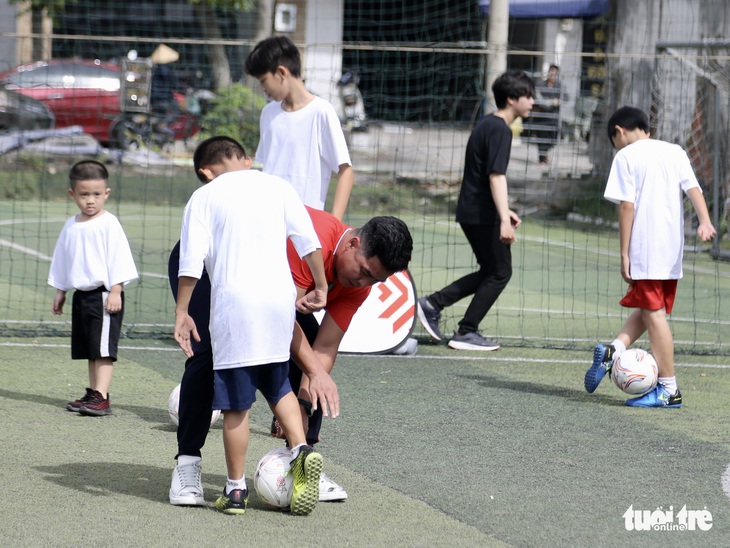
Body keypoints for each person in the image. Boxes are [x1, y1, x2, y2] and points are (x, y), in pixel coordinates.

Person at [168, 207, 413, 507]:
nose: (364, 284)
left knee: (315, 368)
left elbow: (324, 348)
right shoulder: (314, 241)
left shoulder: (359, 283)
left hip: (261, 292)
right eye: (363, 272)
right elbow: (280, 319)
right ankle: (187, 465)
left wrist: (304, 402)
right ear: (353, 244)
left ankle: (303, 461)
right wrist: (313, 375)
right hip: (207, 264)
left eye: (374, 281)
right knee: (208, 350)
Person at [173, 136, 330, 516]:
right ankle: (301, 449)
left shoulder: (205, 196)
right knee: (279, 386)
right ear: (245, 159)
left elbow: (191, 259)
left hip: (235, 306)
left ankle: (235, 490)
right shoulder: (278, 186)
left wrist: (182, 311)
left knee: (235, 405)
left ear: (205, 171)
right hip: (279, 302)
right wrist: (321, 285)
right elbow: (308, 241)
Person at [584, 106, 717, 407]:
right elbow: (694, 189)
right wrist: (705, 221)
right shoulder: (675, 151)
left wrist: (624, 254)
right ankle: (613, 351)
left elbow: (626, 207)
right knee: (649, 309)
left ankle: (669, 390)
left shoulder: (626, 156)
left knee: (653, 314)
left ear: (618, 131)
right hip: (671, 251)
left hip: (645, 247)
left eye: (613, 141)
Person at [416, 70, 535, 351]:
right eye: (528, 96)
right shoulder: (500, 129)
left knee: (491, 270)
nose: (532, 102)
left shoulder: (486, 125)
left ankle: (432, 304)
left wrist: (507, 211)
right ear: (511, 99)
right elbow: (496, 176)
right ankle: (466, 331)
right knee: (500, 272)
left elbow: (485, 176)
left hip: (474, 210)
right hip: (481, 214)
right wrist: (503, 218)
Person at [48, 160, 139, 416]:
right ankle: (93, 392)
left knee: (103, 351)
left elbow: (119, 258)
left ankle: (103, 397)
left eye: (96, 194)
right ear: (72, 194)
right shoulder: (71, 225)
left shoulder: (109, 224)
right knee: (91, 349)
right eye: (84, 194)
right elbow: (63, 259)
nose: (90, 200)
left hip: (104, 297)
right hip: (82, 297)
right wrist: (61, 291)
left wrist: (116, 290)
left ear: (106, 194)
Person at [244, 36, 354, 220]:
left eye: (263, 80)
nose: (262, 88)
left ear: (281, 72)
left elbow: (346, 172)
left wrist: (333, 226)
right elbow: (266, 167)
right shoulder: (268, 114)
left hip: (307, 227)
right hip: (268, 221)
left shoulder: (321, 112)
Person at [532, 65, 562, 165]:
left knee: (554, 137)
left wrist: (559, 101)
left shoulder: (559, 86)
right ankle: (542, 160)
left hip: (553, 117)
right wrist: (551, 102)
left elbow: (565, 98)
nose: (552, 75)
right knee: (541, 138)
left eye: (554, 74)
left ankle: (545, 154)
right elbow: (538, 100)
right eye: (551, 73)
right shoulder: (540, 84)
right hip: (541, 116)